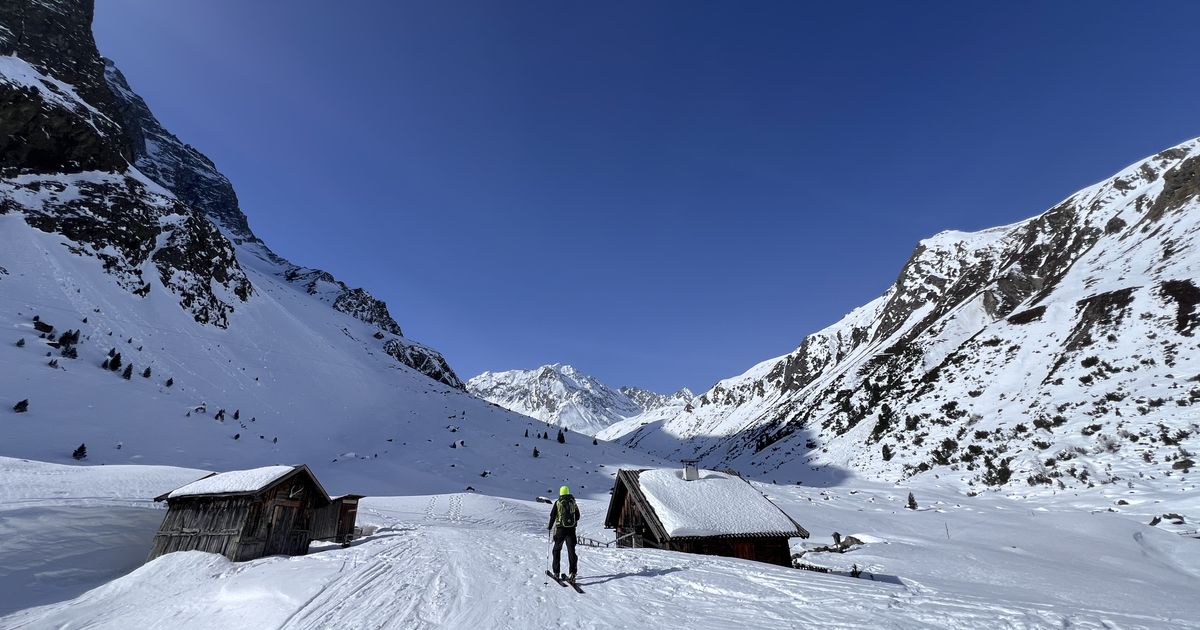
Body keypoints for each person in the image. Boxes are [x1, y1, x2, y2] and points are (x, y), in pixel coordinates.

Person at [548, 484, 580, 581]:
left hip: (560, 530)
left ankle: (556, 573)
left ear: (560, 493)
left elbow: (552, 516)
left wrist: (550, 527)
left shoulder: (558, 502)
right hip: (571, 530)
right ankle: (573, 573)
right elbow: (578, 516)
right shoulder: (573, 502)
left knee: (556, 550)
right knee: (571, 551)